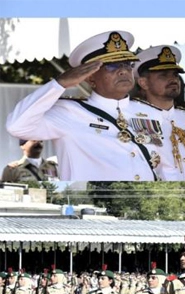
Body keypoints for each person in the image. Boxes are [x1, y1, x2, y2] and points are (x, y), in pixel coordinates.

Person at [6, 30, 163, 181]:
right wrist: (59, 84)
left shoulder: (150, 112)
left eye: (127, 64)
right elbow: (17, 126)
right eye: (112, 65)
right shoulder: (68, 112)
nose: (123, 70)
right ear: (89, 77)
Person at [132, 45, 185, 181]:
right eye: (163, 75)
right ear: (144, 83)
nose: (173, 79)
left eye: (175, 74)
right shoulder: (129, 117)